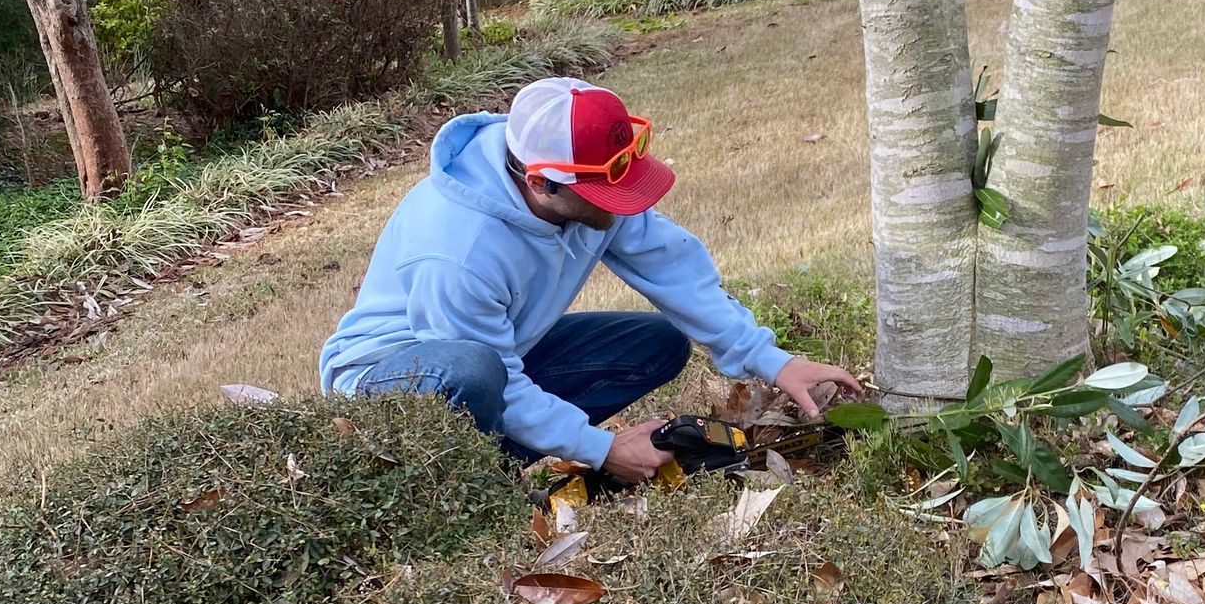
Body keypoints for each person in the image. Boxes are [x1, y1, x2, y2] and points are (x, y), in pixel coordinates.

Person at [318, 77, 861, 482]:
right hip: (391, 381)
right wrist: (600, 449)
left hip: (493, 357)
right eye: (604, 194)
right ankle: (464, 482)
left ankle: (515, 451)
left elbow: (670, 266)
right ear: (541, 183)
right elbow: (489, 372)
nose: (621, 206)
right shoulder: (458, 249)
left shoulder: (577, 180)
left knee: (657, 344)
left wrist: (773, 359)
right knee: (476, 370)